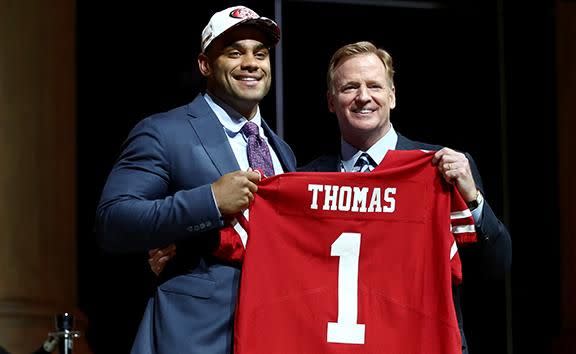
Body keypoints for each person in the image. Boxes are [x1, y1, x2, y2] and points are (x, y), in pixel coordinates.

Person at [149, 41, 512, 353]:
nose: (363, 97)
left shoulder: (440, 171)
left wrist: (473, 199)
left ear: (393, 95)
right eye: (349, 87)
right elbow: (261, 245)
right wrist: (185, 244)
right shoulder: (301, 182)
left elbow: (496, 266)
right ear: (330, 101)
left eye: (375, 86)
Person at [95, 5, 296, 354]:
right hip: (196, 335)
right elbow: (113, 221)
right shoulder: (164, 132)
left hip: (273, 329)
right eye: (235, 52)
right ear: (205, 64)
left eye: (260, 54)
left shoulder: (282, 151)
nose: (251, 63)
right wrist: (211, 201)